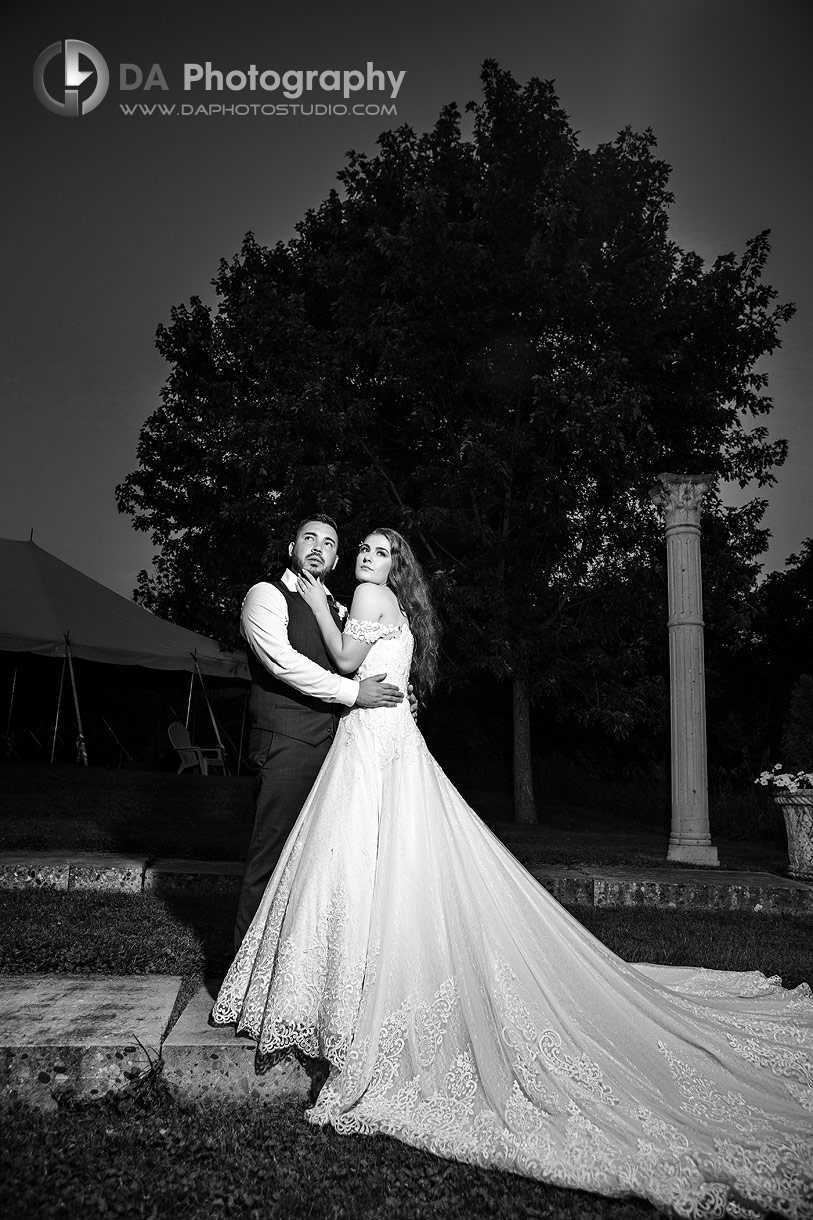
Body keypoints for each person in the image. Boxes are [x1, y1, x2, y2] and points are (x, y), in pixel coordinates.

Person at [213, 528, 813, 1218]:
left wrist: (326, 608)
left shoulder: (361, 596)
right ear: (294, 546)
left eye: (373, 551)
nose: (359, 559)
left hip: (367, 741)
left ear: (392, 566)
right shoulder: (360, 602)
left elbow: (347, 657)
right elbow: (325, 663)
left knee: (350, 863)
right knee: (362, 864)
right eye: (356, 550)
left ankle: (335, 991)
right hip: (370, 737)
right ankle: (341, 983)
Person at [233, 514, 405, 951]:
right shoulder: (265, 596)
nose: (316, 547)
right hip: (287, 744)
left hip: (341, 751)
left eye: (328, 543)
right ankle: (241, 985)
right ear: (291, 547)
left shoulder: (342, 609)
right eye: (308, 538)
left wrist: (399, 693)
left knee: (321, 868)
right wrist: (354, 693)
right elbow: (284, 662)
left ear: (334, 557)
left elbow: (367, 660)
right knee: (271, 860)